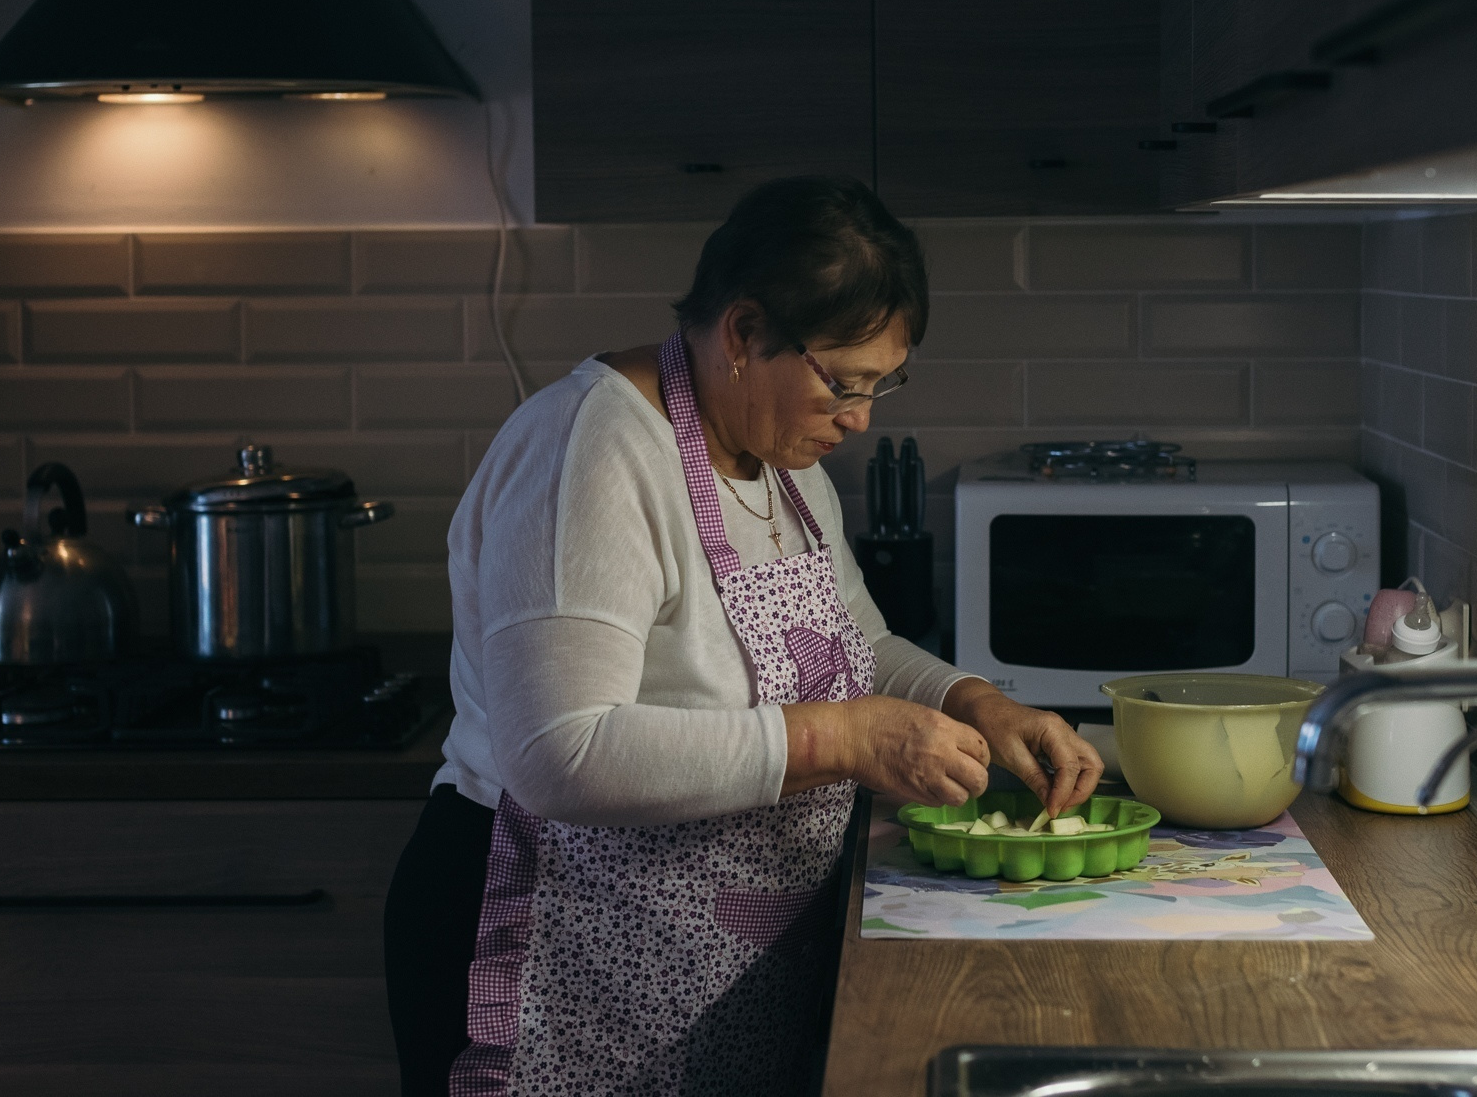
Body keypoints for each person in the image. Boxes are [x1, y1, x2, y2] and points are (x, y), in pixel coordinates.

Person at [384, 175, 1103, 1097]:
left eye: (882, 383)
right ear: (743, 333)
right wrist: (842, 738)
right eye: (845, 382)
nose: (862, 416)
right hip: (551, 962)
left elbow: (858, 644)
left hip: (697, 974)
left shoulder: (780, 455)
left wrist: (977, 702)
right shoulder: (592, 451)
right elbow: (559, 752)